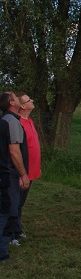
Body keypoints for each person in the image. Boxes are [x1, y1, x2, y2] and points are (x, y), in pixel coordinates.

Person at [2, 92, 41, 245]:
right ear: (22, 106)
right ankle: (10, 234)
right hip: (19, 171)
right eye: (29, 100)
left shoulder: (28, 120)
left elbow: (32, 148)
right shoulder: (17, 123)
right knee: (14, 203)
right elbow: (16, 151)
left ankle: (16, 230)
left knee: (20, 203)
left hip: (30, 170)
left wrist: (37, 167)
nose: (32, 100)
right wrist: (21, 172)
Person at [0, 92, 30, 264]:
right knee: (8, 212)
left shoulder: (4, 120)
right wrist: (23, 174)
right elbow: (14, 151)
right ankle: (2, 252)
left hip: (5, 174)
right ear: (12, 103)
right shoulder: (12, 122)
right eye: (15, 96)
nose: (18, 98)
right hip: (9, 175)